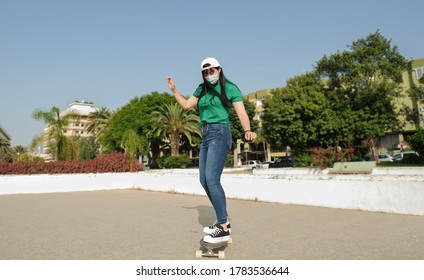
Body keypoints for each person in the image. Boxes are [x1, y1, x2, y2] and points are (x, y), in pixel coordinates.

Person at [165, 57, 257, 243]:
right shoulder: (202, 89)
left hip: (220, 132)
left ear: (219, 70)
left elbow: (241, 112)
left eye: (211, 71)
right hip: (206, 134)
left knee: (212, 179)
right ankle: (223, 221)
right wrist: (174, 90)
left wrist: (247, 129)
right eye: (205, 72)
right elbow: (186, 105)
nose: (209, 75)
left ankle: (222, 225)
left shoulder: (230, 88)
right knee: (203, 179)